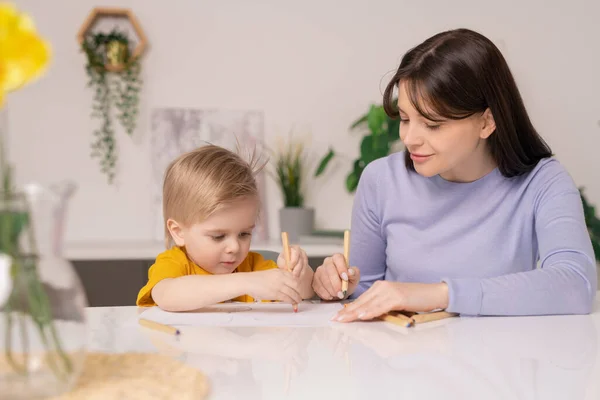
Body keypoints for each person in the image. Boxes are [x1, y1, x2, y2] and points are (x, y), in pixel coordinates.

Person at [312, 28, 597, 322]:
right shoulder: (381, 180)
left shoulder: (542, 182)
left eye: (432, 125)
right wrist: (337, 287)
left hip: (499, 362)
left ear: (487, 122)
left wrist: (440, 294)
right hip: (400, 360)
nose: (410, 138)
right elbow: (365, 295)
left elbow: (576, 285)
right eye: (405, 119)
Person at [137, 145, 314, 311]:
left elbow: (306, 292)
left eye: (244, 233)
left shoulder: (253, 265)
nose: (235, 247)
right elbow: (167, 295)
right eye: (218, 236)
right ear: (178, 232)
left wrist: (299, 272)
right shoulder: (174, 262)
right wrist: (246, 282)